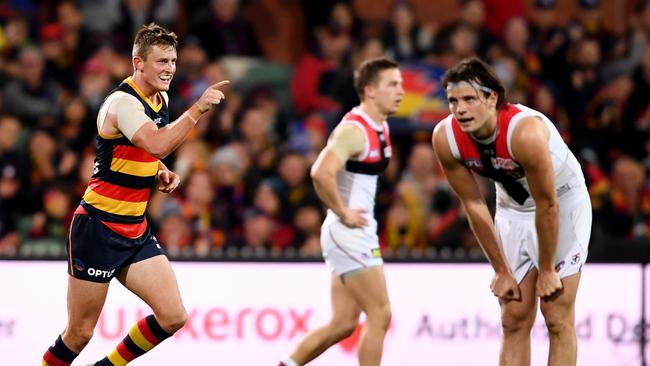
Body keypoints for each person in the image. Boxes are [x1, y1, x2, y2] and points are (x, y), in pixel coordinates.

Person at [41, 23, 229, 366]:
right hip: (98, 229)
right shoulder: (123, 102)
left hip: (135, 230)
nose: (169, 68)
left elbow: (141, 149)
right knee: (79, 333)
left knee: (173, 316)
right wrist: (199, 108)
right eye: (160, 61)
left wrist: (157, 170)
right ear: (137, 63)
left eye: (172, 61)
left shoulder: (162, 98)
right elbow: (156, 141)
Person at [431, 57, 591, 365]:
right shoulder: (445, 137)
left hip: (562, 202)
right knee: (513, 317)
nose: (459, 109)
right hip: (512, 206)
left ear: (492, 98)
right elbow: (474, 203)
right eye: (453, 101)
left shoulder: (525, 133)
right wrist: (501, 270)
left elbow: (547, 205)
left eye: (468, 99)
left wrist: (546, 270)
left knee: (556, 315)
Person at [279, 57, 403, 366]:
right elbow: (321, 172)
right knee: (380, 313)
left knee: (344, 323)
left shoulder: (380, 125)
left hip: (353, 229)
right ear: (370, 91)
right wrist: (343, 212)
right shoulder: (354, 130)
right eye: (393, 84)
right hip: (349, 231)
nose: (401, 91)